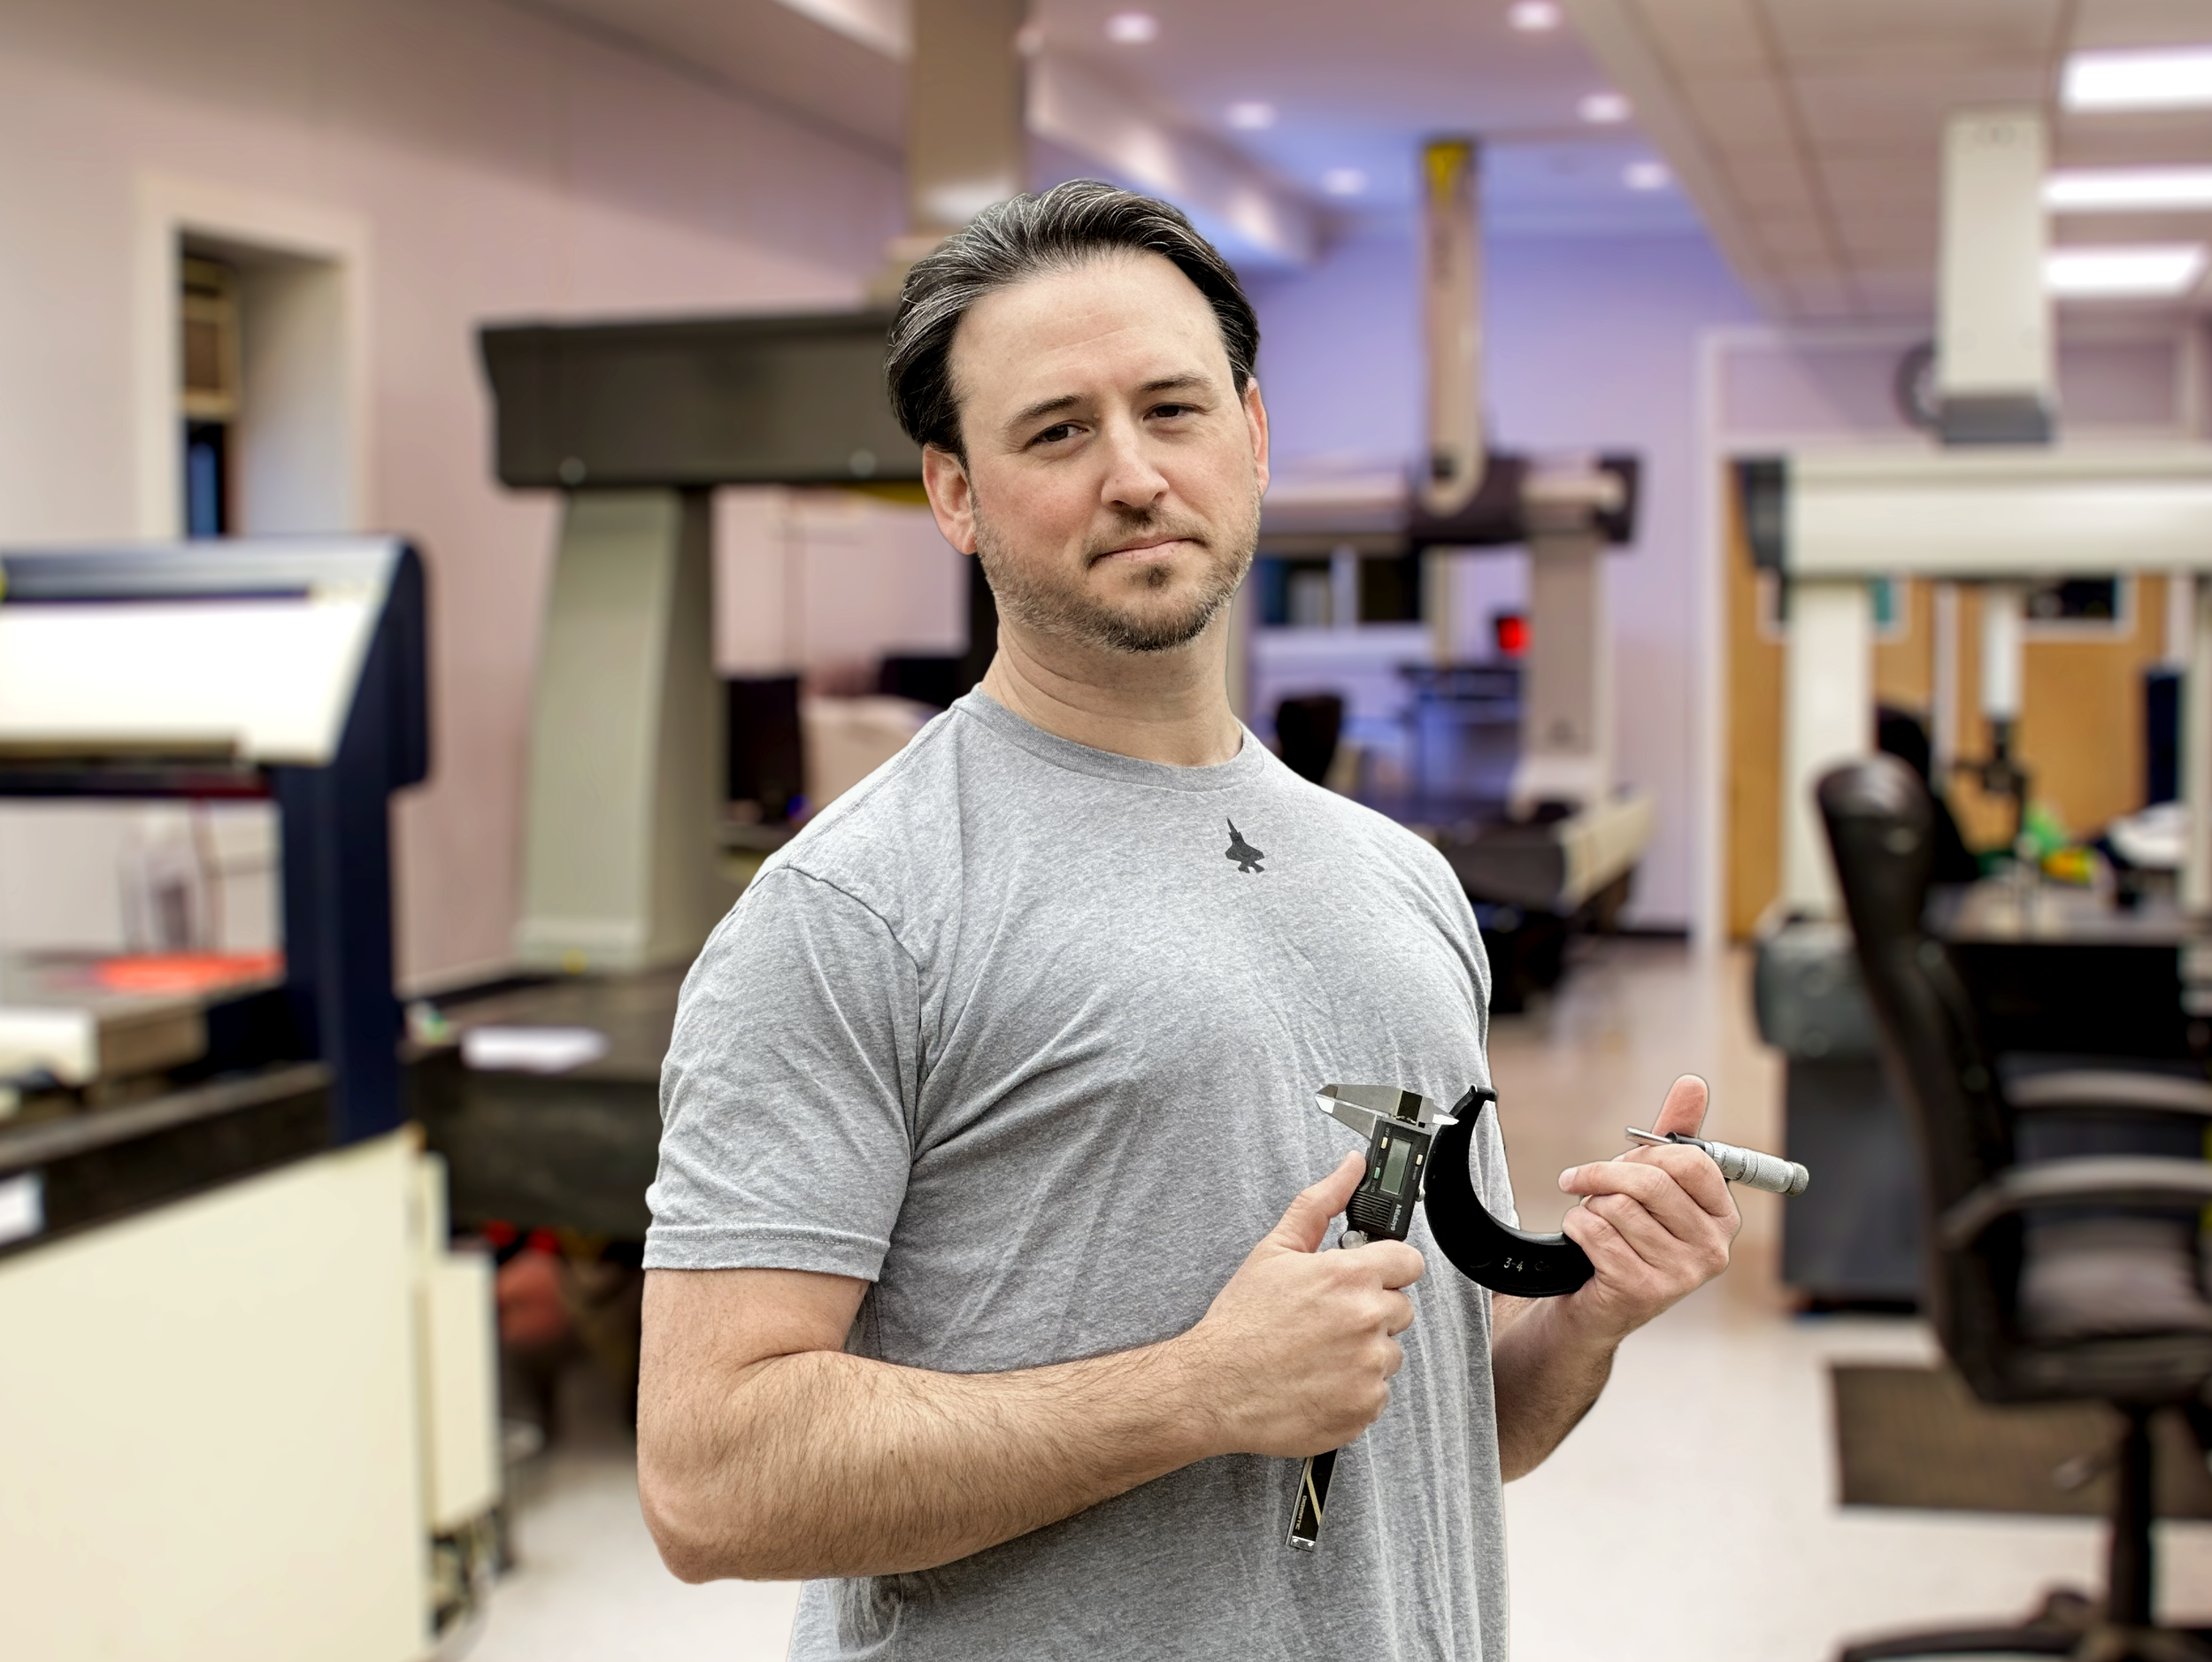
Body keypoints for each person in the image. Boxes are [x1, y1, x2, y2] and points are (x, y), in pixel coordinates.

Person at [637, 180, 1738, 1659]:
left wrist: (1588, 1313)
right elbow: (708, 1476)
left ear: (1254, 434)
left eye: (1174, 408)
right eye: (1056, 431)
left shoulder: (1401, 880)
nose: (1137, 473)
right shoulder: (859, 907)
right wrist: (1196, 1390)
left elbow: (1445, 1435)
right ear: (954, 493)